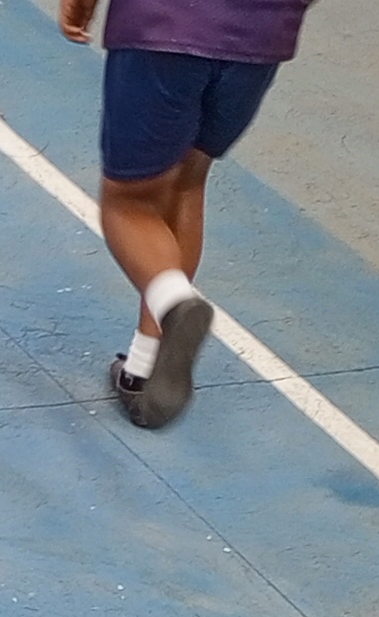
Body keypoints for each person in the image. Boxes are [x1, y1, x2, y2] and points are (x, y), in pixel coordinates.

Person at [57, 0, 316, 428]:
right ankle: (143, 370)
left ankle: (175, 303)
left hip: (163, 28)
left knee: (129, 203)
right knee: (187, 179)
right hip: (260, 42)